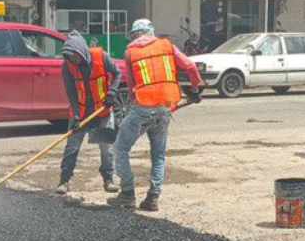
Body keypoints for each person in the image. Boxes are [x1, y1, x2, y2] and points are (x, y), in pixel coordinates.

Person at [112, 18, 203, 212]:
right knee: (158, 154)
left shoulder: (131, 52)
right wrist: (195, 89)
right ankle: (153, 197)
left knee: (120, 149)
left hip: (143, 106)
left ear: (134, 35)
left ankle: (127, 194)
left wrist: (131, 106)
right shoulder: (167, 45)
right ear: (151, 32)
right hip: (165, 107)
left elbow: (130, 85)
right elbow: (190, 67)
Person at [58, 31, 121, 195]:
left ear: (82, 51)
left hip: (103, 111)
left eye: (76, 56)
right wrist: (77, 115)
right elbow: (70, 90)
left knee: (106, 148)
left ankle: (108, 179)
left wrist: (112, 93)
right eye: (71, 58)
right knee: (72, 147)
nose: (74, 60)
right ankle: (64, 180)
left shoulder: (101, 56)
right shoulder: (67, 65)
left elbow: (117, 74)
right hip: (81, 112)